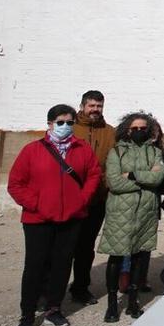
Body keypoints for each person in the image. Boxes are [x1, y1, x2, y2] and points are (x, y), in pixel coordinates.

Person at [8, 104, 102, 326]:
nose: (65, 126)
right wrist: (36, 204)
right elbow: (16, 183)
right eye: (60, 122)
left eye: (70, 123)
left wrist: (81, 199)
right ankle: (27, 315)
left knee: (62, 264)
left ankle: (53, 309)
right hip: (38, 219)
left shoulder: (82, 149)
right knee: (35, 266)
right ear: (50, 124)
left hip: (71, 217)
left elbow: (94, 174)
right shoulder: (32, 150)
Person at [97, 111, 164, 323]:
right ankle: (111, 304)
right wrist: (143, 181)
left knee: (140, 256)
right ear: (127, 130)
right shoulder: (116, 153)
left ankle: (134, 301)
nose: (139, 131)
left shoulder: (154, 152)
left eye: (143, 128)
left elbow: (157, 178)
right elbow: (114, 182)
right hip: (121, 212)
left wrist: (133, 175)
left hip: (146, 211)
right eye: (134, 128)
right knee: (116, 256)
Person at [67, 90, 115, 305]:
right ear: (82, 105)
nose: (95, 110)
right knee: (62, 246)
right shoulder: (69, 129)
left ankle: (80, 287)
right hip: (70, 199)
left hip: (97, 199)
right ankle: (50, 289)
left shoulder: (109, 132)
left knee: (86, 247)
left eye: (99, 106)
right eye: (92, 106)